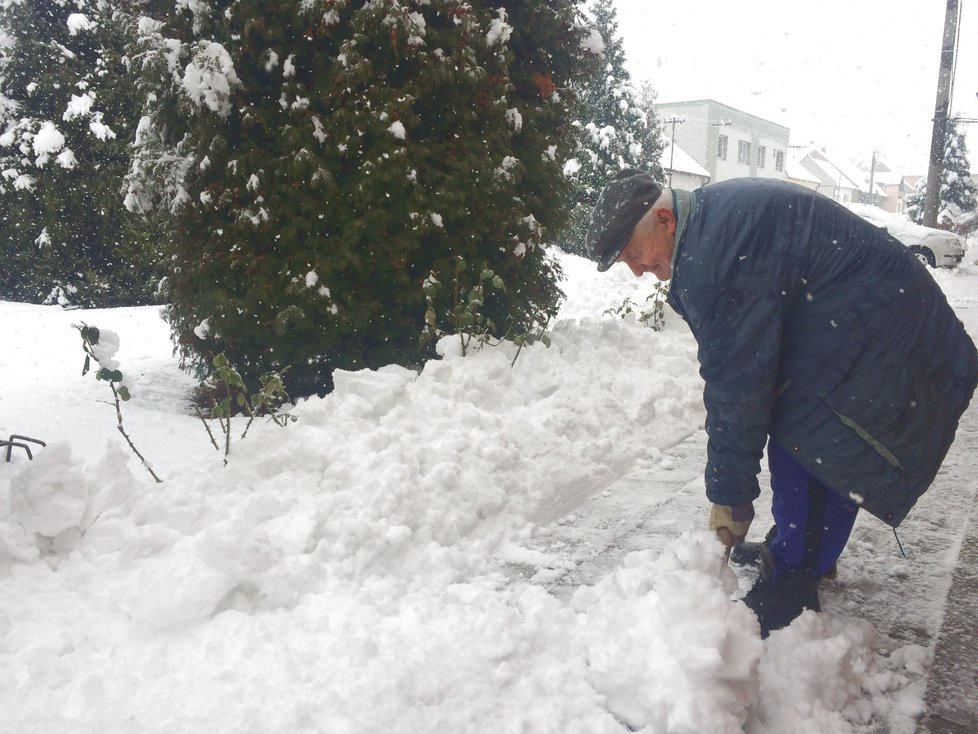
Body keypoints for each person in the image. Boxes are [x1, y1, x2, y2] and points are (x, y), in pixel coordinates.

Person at [586, 170, 978, 636]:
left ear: (665, 219)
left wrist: (730, 498)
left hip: (890, 341)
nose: (637, 269)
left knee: (815, 440)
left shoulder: (714, 256)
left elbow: (738, 388)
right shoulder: (710, 225)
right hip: (870, 325)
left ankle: (797, 574)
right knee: (803, 426)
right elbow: (743, 375)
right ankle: (799, 543)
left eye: (634, 254)